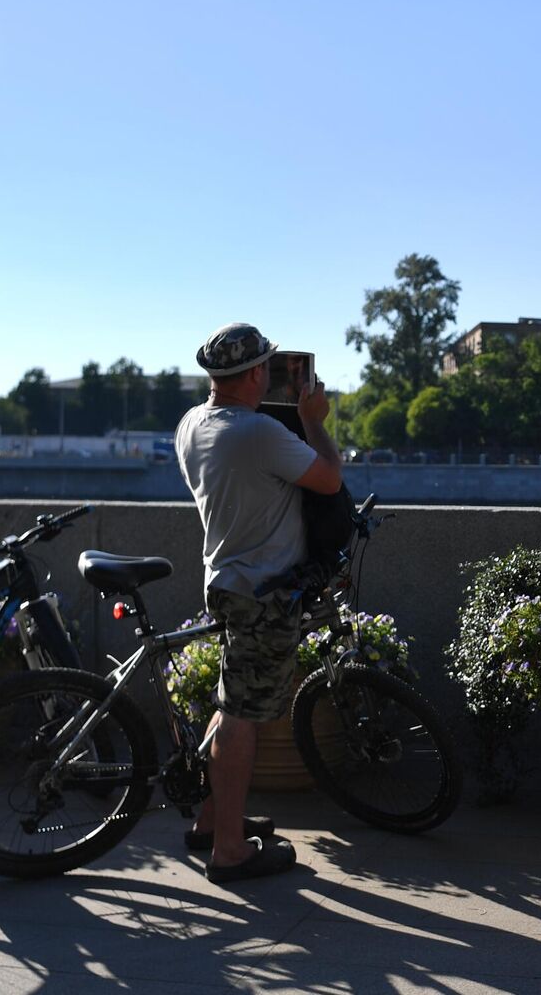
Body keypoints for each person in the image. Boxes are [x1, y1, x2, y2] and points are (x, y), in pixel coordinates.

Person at [177, 322, 345, 883]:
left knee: (233, 701)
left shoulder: (192, 424)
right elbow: (328, 479)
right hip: (264, 590)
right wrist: (314, 422)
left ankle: (211, 817)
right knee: (244, 715)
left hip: (225, 579)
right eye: (268, 366)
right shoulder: (257, 434)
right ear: (254, 374)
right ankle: (229, 850)